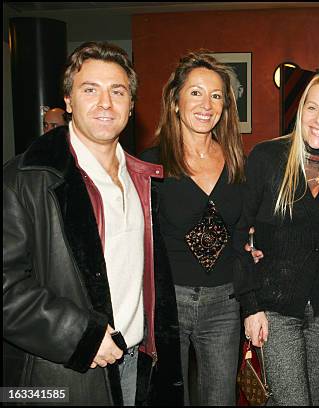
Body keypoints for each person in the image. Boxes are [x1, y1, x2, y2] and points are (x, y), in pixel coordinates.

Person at [3, 42, 183, 405]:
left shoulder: (143, 178)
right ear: (68, 100)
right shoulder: (25, 179)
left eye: (117, 91)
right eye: (90, 89)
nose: (105, 103)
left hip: (135, 360)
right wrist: (80, 336)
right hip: (63, 371)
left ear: (131, 106)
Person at [236, 72, 319, 405]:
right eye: (313, 108)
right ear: (300, 110)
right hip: (274, 306)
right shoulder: (267, 157)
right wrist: (250, 306)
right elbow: (239, 231)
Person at [140, 50, 245, 406]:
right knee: (170, 398)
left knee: (221, 399)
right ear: (175, 102)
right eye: (196, 92)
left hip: (225, 303)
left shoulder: (235, 161)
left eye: (216, 95)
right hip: (170, 302)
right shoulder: (151, 164)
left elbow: (243, 228)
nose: (207, 103)